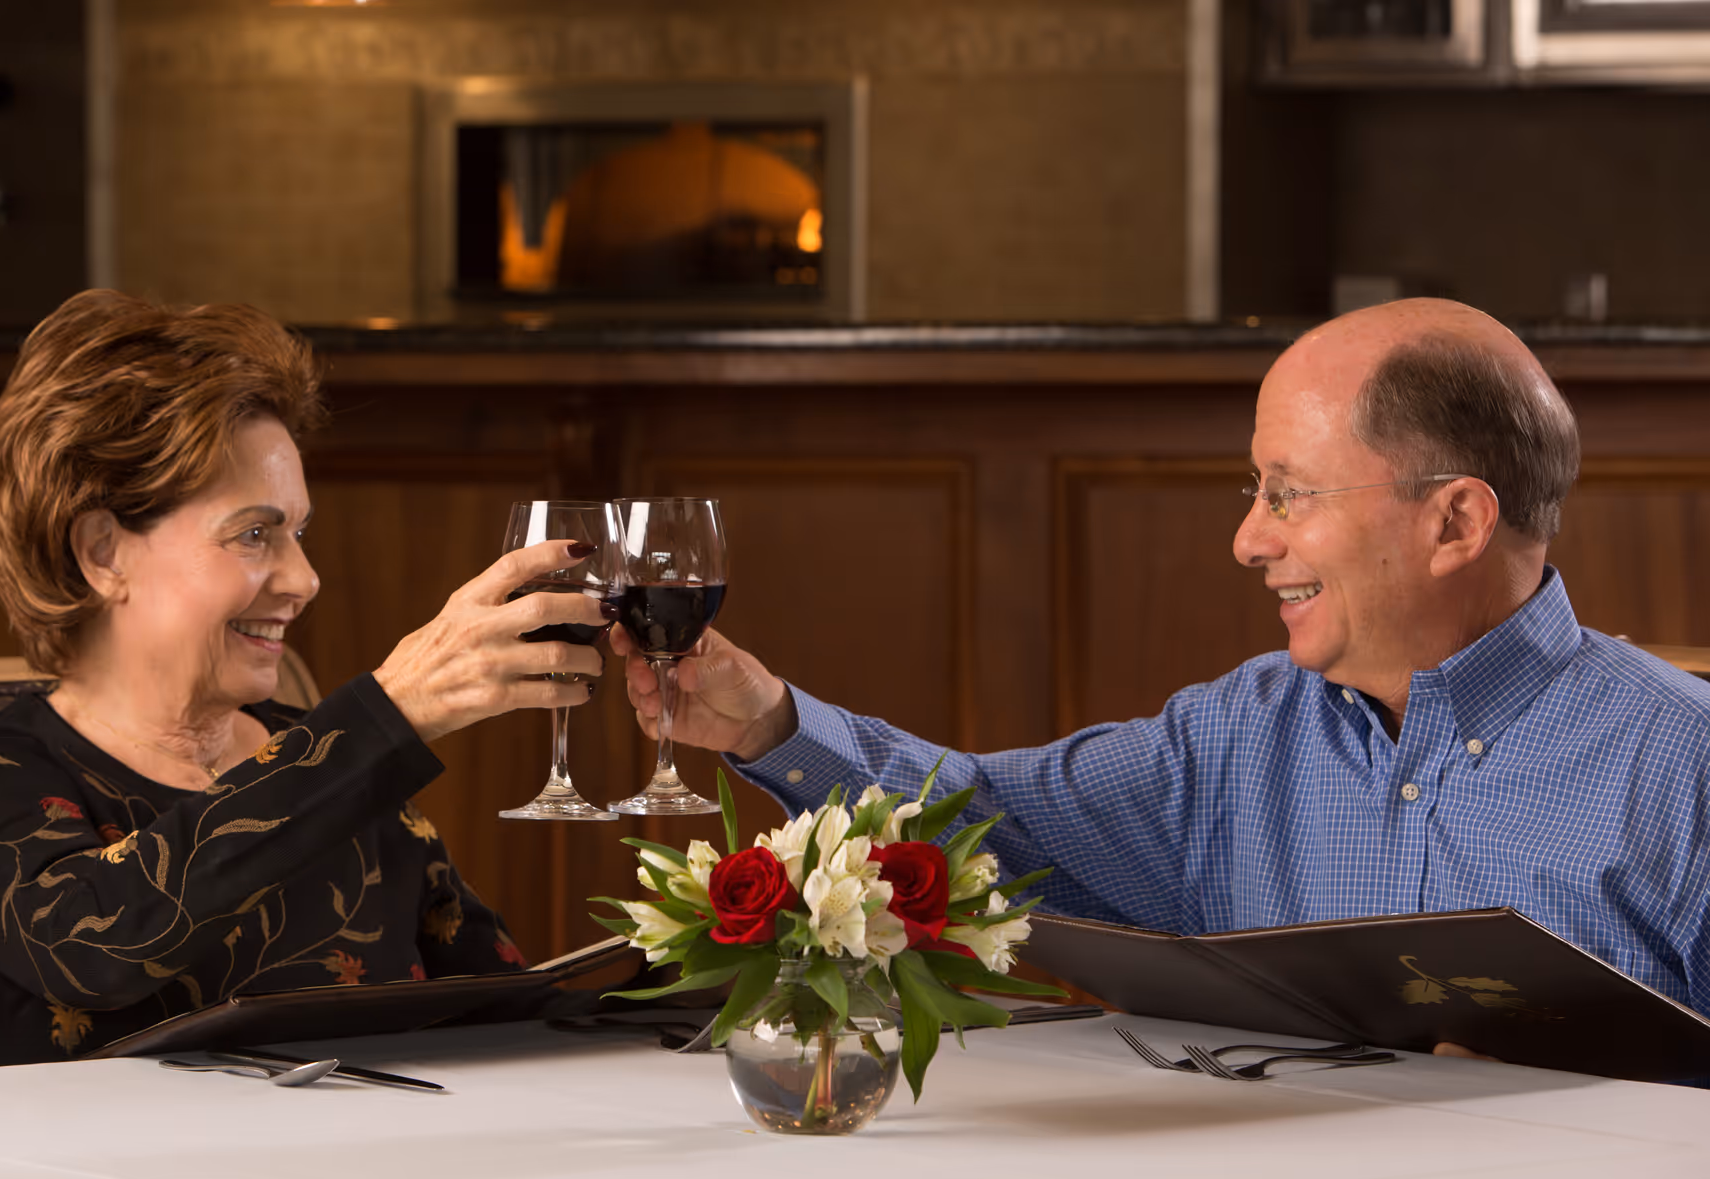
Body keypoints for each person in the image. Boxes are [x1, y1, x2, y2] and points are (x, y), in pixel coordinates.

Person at [610, 298, 1710, 1022]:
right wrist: (765, 722)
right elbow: (980, 827)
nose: (1250, 538)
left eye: (1291, 492)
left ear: (1456, 522)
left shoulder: (1685, 764)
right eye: (1255, 491)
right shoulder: (1236, 734)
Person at [0, 289, 607, 1067]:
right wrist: (384, 718)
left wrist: (715, 945)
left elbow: (511, 1008)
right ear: (103, 554)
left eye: (298, 532)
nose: (304, 578)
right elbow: (98, 943)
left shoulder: (327, 758)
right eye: (255, 534)